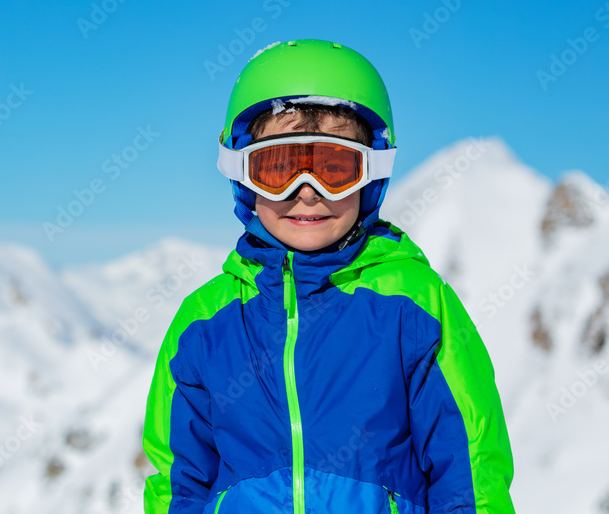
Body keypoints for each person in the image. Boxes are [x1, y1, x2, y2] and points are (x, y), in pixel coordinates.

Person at [141, 39, 515, 514]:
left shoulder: (415, 306)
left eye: (335, 168)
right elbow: (179, 482)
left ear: (371, 174)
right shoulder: (204, 323)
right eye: (277, 168)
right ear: (242, 176)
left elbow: (469, 467)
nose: (307, 192)